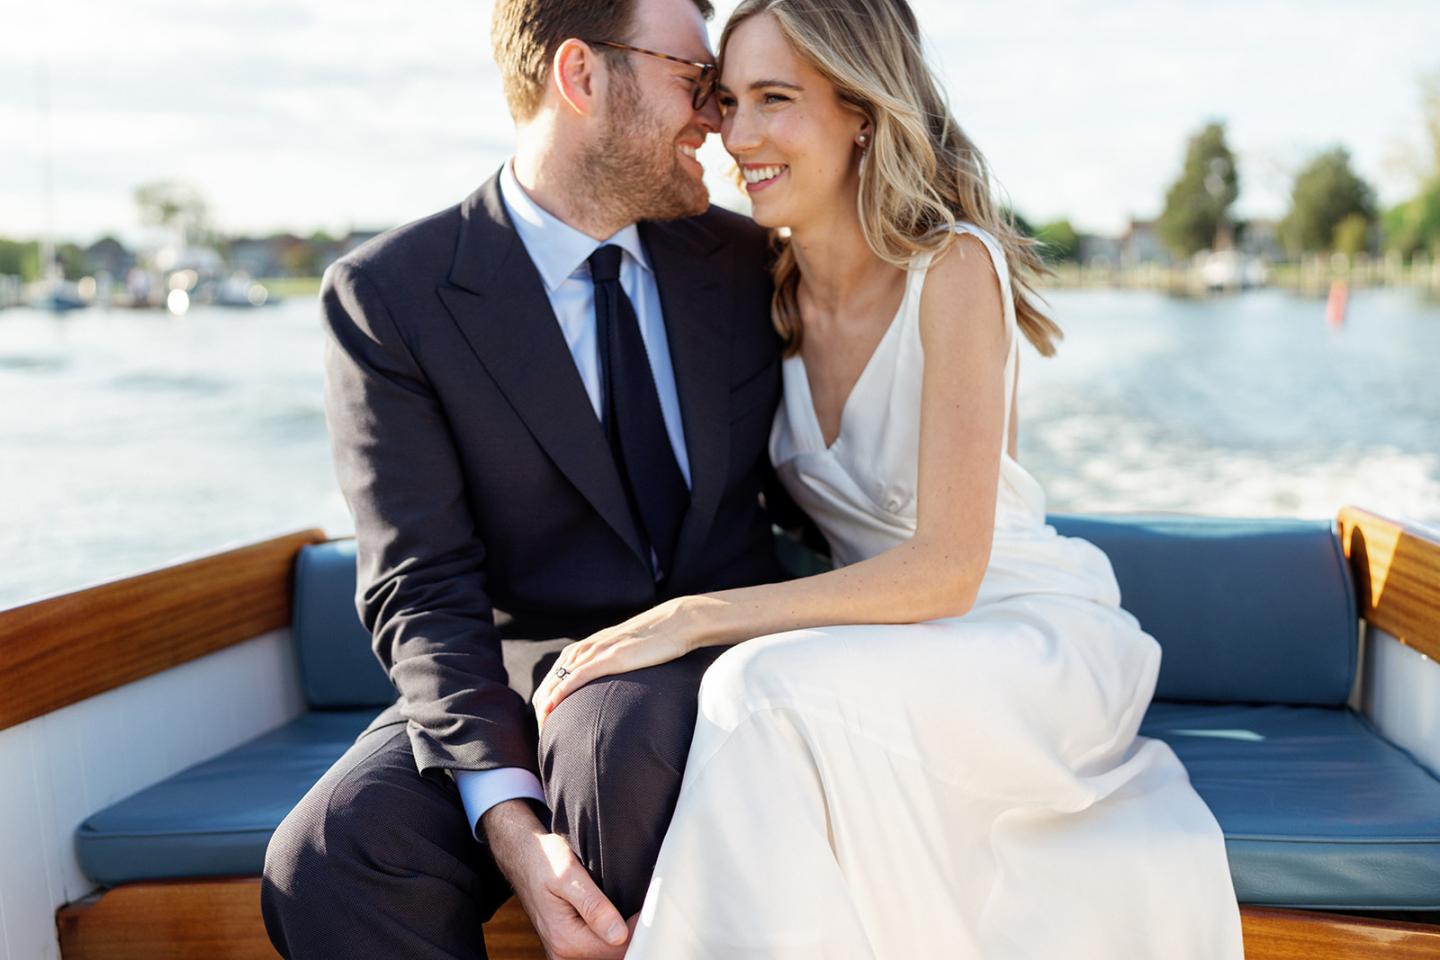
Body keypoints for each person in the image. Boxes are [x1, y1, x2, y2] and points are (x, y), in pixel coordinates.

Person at [528, 0, 1247, 955]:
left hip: (1018, 631)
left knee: (754, 690)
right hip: (876, 653)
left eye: (773, 99)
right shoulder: (761, 288)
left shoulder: (952, 269)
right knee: (758, 696)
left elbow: (949, 570)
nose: (737, 135)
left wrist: (693, 616)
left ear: (860, 110)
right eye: (726, 100)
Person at [259, 0, 807, 956]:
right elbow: (419, 585)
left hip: (725, 655)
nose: (718, 118)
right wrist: (511, 824)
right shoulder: (392, 296)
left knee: (614, 741)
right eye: (694, 81)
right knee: (331, 852)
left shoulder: (747, 262)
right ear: (583, 77)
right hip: (522, 685)